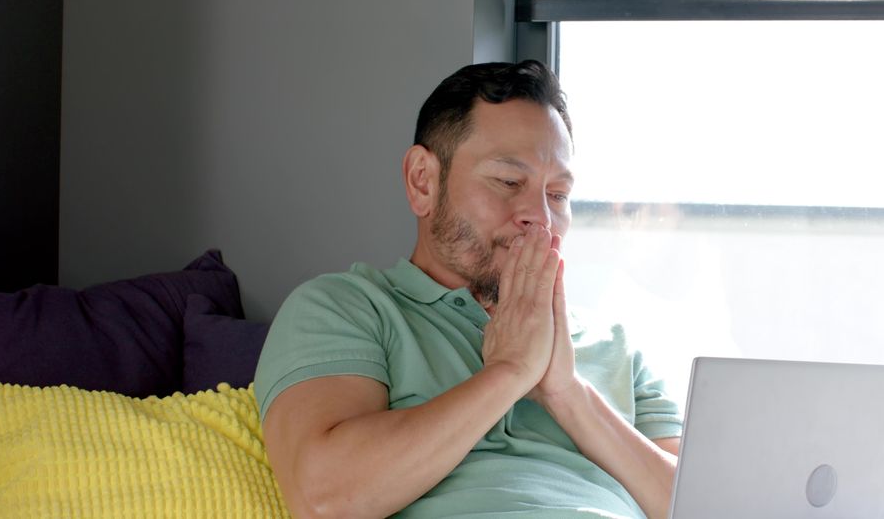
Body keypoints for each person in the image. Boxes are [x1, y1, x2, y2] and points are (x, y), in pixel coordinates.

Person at [255, 60, 682, 518]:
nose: (539, 215)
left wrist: (568, 394)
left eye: (557, 194)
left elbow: (711, 503)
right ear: (423, 181)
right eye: (508, 181)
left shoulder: (617, 349)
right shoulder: (347, 308)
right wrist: (510, 372)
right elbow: (324, 499)